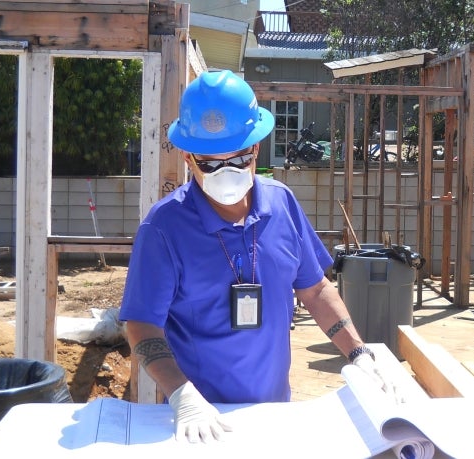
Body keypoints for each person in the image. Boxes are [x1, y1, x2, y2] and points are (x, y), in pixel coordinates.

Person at [119, 70, 398, 444]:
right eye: (210, 163)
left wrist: (358, 353)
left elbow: (315, 291)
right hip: (202, 422)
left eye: (237, 159)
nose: (226, 173)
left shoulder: (281, 204)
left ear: (256, 149)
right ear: (187, 158)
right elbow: (140, 324)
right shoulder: (164, 228)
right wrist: (182, 396)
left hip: (274, 413)